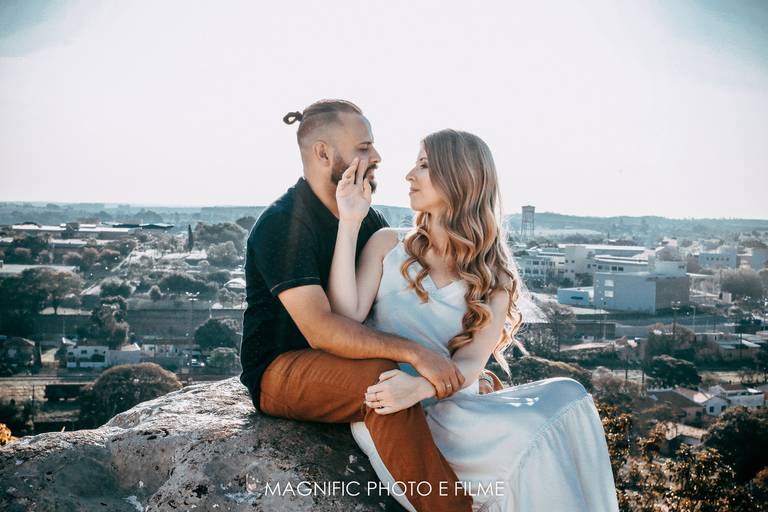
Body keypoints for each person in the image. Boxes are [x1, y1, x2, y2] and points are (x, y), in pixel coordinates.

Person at [328, 129, 621, 511]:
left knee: (569, 394)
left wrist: (421, 388)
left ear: (459, 177)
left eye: (424, 165)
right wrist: (349, 221)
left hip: (452, 406)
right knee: (529, 438)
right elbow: (345, 316)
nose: (409, 175)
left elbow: (470, 363)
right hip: (398, 413)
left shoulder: (495, 277)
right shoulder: (388, 244)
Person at [240, 99, 479, 511]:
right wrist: (417, 354)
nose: (378, 157)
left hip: (346, 358)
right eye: (364, 147)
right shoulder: (283, 223)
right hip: (282, 369)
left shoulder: (366, 219)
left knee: (433, 383)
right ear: (323, 153)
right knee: (382, 384)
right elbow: (321, 329)